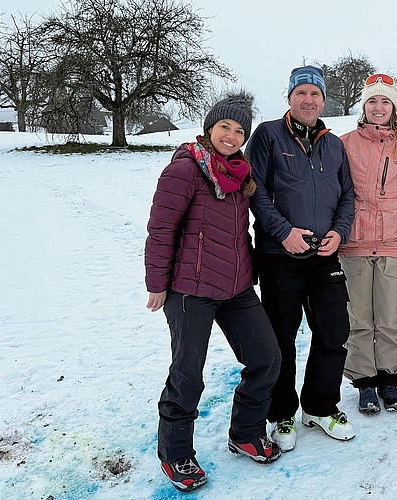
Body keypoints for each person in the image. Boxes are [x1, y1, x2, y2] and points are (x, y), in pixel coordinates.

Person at [145, 92, 282, 493]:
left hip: (236, 288)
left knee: (266, 358)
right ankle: (175, 453)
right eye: (225, 126)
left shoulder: (240, 173)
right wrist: (157, 284)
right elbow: (161, 229)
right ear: (209, 128)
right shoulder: (185, 170)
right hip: (190, 290)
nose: (232, 135)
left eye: (240, 130)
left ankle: (245, 432)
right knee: (188, 373)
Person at [246, 65, 356, 451]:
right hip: (280, 253)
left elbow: (347, 197)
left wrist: (339, 233)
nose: (309, 100)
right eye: (302, 93)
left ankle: (320, 407)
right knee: (281, 336)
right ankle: (282, 413)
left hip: (324, 254)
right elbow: (254, 190)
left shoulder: (334, 144)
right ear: (289, 98)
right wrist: (283, 232)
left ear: (323, 100)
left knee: (334, 331)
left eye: (316, 94)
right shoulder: (268, 135)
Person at [338, 74, 397, 414]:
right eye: (372, 101)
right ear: (364, 106)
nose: (378, 108)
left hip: (395, 244)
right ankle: (363, 382)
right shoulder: (344, 143)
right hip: (354, 245)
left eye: (385, 102)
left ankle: (389, 379)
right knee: (359, 317)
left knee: (390, 317)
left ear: (393, 107)